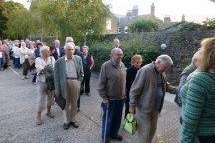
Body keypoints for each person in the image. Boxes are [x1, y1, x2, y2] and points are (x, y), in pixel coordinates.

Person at [129, 55, 177, 143]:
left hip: (155, 110)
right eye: (165, 67)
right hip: (144, 110)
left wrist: (177, 90)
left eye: (167, 68)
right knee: (144, 135)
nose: (165, 70)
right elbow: (134, 90)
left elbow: (166, 85)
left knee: (152, 132)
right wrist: (131, 107)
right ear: (158, 62)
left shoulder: (161, 72)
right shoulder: (145, 71)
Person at [181, 37, 215, 143]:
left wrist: (185, 140)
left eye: (202, 49)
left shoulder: (200, 80)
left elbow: (191, 119)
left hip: (201, 136)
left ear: (208, 55)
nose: (199, 51)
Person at [98, 48, 126, 143]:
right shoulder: (106, 66)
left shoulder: (122, 65)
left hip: (121, 98)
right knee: (107, 120)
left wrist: (124, 94)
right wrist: (104, 98)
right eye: (118, 54)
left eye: (121, 54)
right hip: (110, 99)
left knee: (117, 119)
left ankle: (114, 134)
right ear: (112, 55)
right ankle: (105, 137)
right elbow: (101, 84)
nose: (120, 56)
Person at [54, 42, 84, 130]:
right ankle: (66, 121)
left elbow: (82, 72)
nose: (70, 51)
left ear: (74, 50)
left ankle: (73, 120)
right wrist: (57, 89)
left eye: (71, 49)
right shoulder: (59, 61)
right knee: (66, 103)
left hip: (75, 82)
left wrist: (79, 82)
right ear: (64, 50)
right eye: (68, 49)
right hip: (64, 83)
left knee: (74, 103)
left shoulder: (78, 59)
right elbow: (56, 77)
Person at [35, 46, 55, 125]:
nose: (49, 52)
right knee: (41, 99)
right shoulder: (38, 59)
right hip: (42, 82)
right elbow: (40, 69)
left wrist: (48, 69)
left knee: (51, 97)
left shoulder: (52, 59)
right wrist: (48, 69)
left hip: (51, 82)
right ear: (42, 52)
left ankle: (48, 111)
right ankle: (38, 116)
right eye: (47, 51)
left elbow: (54, 68)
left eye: (48, 51)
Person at [124, 54, 143, 118]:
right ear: (133, 62)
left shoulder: (142, 70)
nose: (139, 64)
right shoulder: (129, 71)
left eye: (140, 62)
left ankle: (134, 121)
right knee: (128, 110)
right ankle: (127, 123)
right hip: (130, 93)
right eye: (137, 62)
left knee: (137, 110)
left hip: (139, 94)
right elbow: (126, 83)